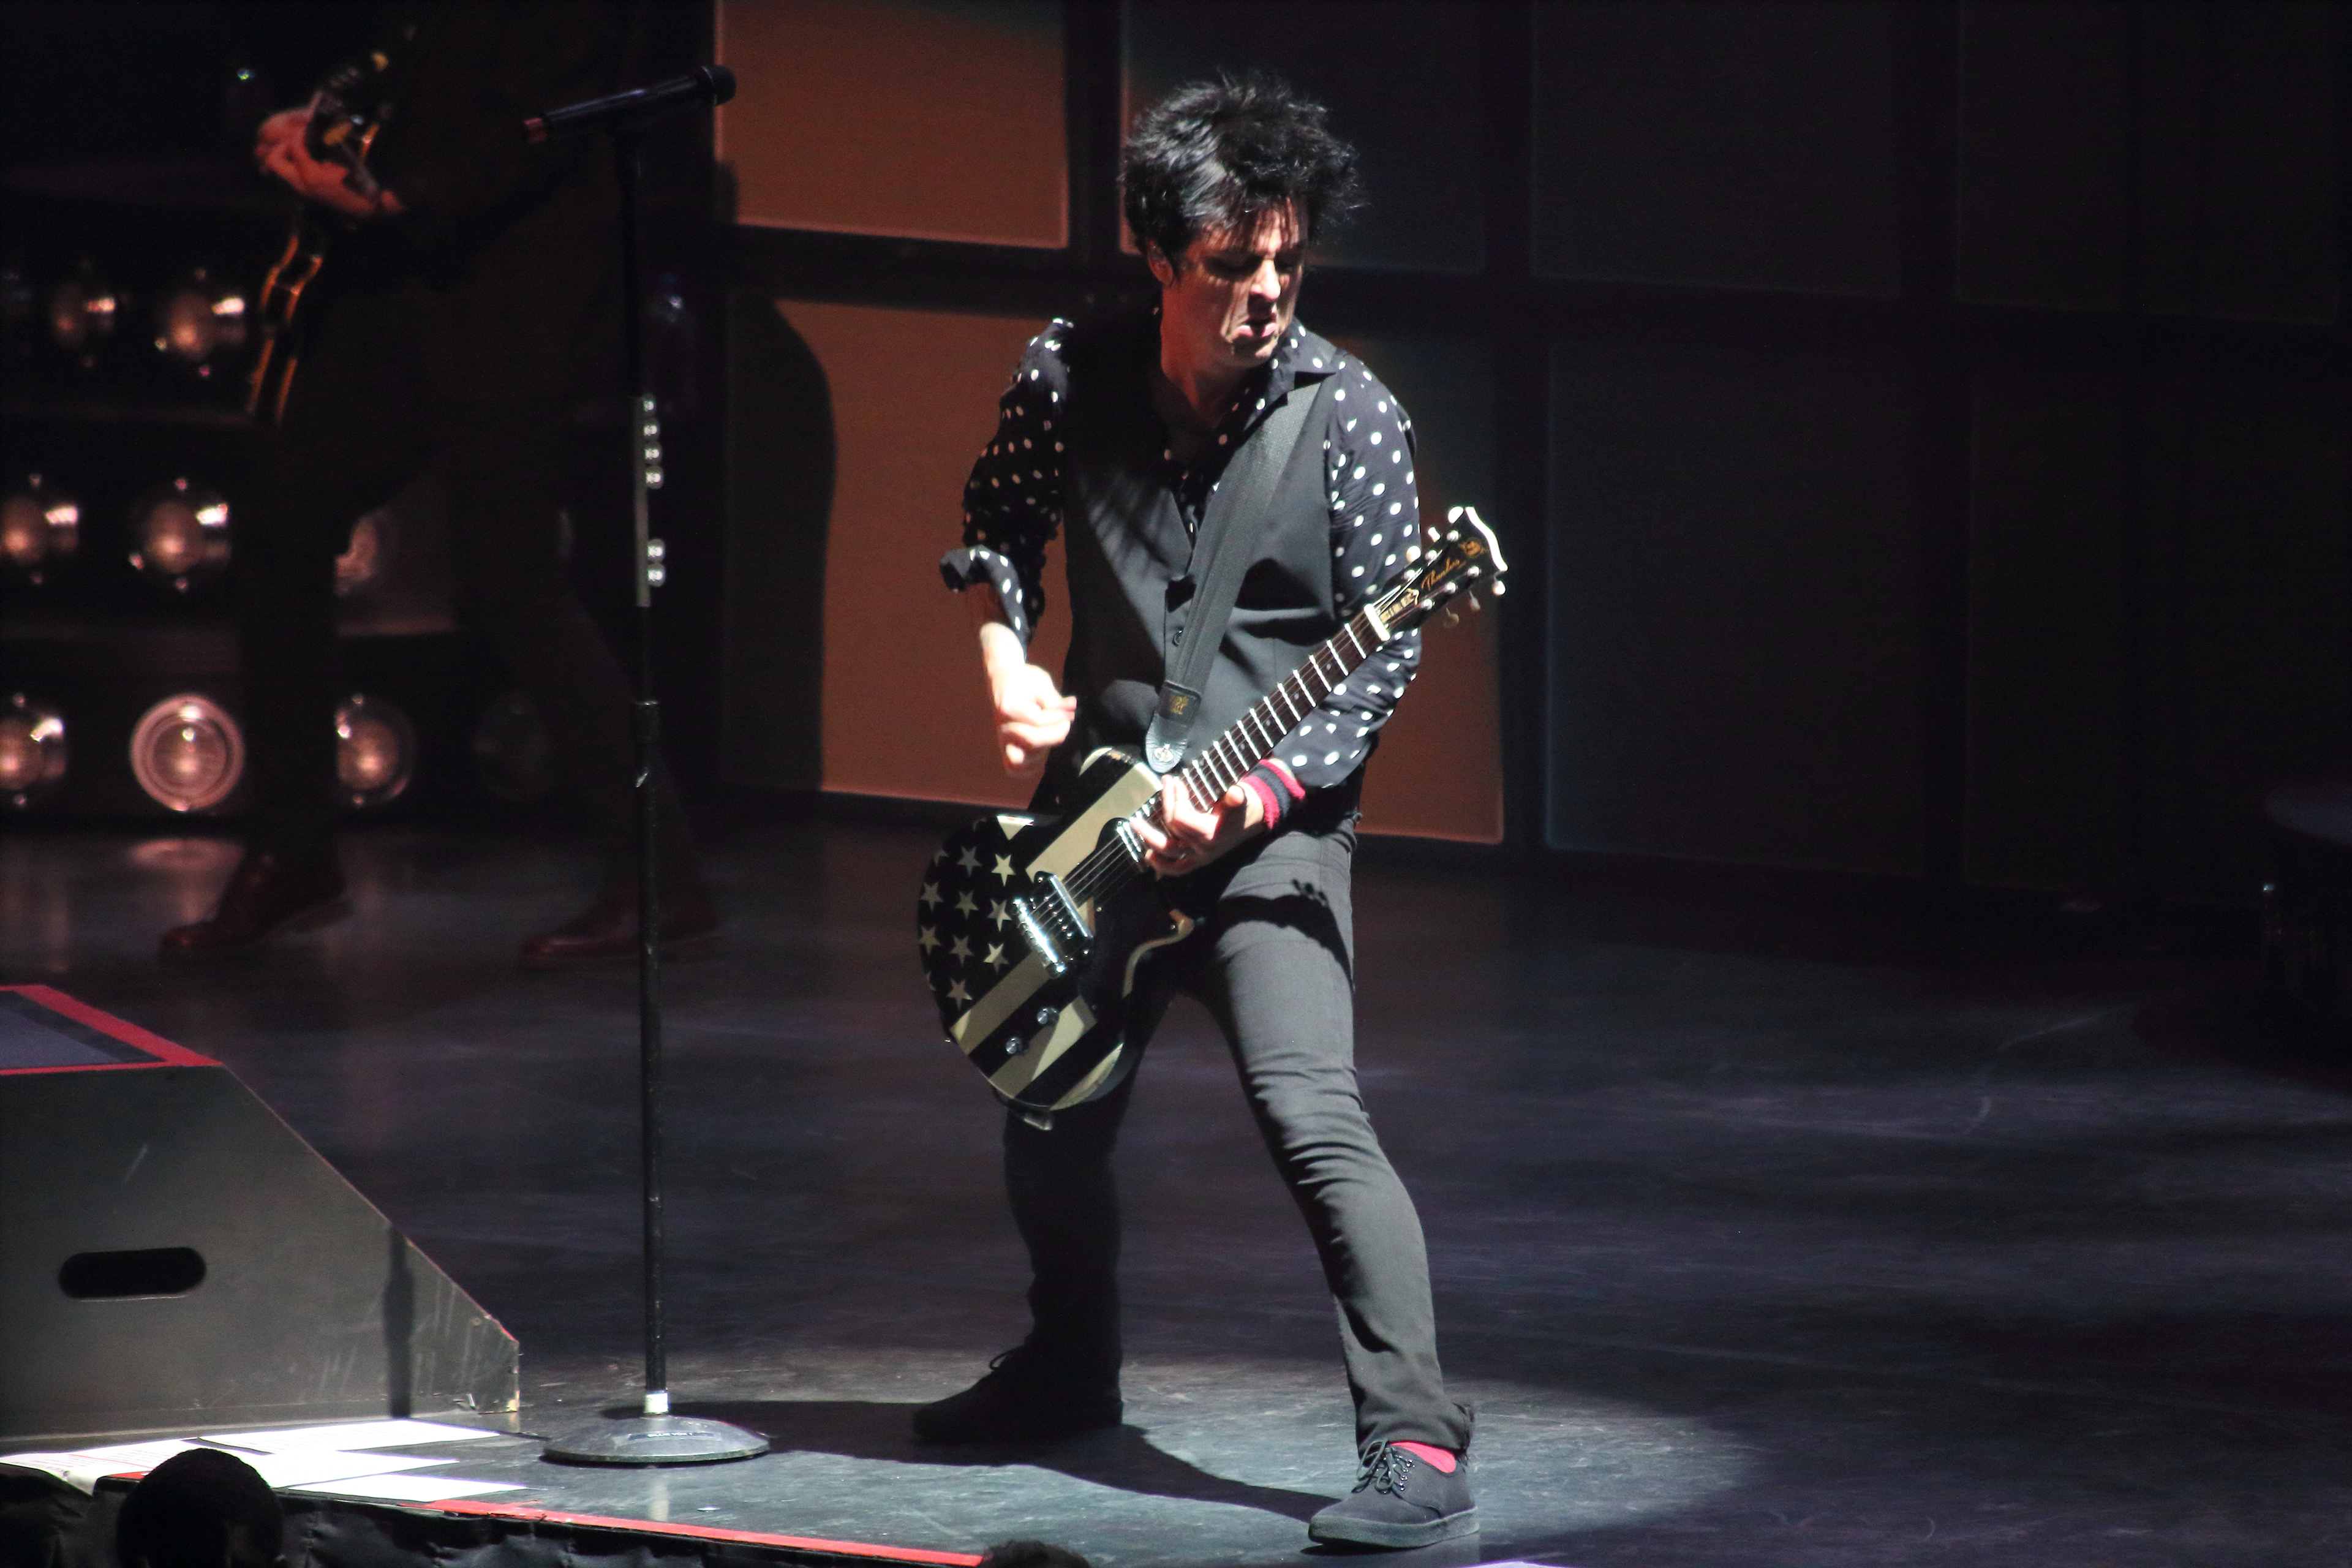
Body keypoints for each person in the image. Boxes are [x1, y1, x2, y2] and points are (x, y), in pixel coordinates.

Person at [921, 72, 1476, 1551]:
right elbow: (995, 526)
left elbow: (1382, 654)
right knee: (1047, 1104)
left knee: (1312, 1113)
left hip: (1271, 823)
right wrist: (1004, 661)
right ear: (1163, 257)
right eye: (1234, 266)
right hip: (1095, 818)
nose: (1267, 293)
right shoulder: (1071, 371)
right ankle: (1068, 1362)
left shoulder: (1350, 416)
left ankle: (1418, 1437)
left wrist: (1257, 798)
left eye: (1288, 262)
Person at [160, 1, 714, 968]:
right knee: (282, 522)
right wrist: (334, 132)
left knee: (512, 582)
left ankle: (661, 874)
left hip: (509, 296)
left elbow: (542, 125)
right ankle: (293, 851)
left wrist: (395, 196)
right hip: (402, 283)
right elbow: (425, 63)